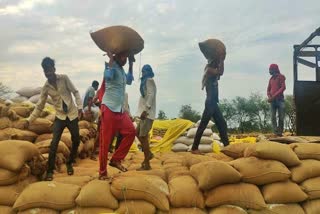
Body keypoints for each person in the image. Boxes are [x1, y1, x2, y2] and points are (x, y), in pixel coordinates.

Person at [25, 57, 83, 180]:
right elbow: (40, 106)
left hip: (72, 115)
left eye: (50, 70)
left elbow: (76, 92)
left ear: (54, 69)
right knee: (54, 144)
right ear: (44, 72)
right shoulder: (45, 87)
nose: (48, 73)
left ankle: (70, 162)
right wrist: (29, 120)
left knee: (76, 140)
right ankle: (50, 171)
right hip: (60, 117)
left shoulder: (64, 78)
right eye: (46, 71)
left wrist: (80, 107)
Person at [98, 52, 136, 180]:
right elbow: (107, 76)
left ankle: (116, 159)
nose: (124, 59)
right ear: (117, 56)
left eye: (126, 57)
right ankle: (102, 172)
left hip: (119, 110)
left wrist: (131, 63)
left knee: (131, 131)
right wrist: (110, 60)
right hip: (108, 108)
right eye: (123, 56)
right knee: (106, 142)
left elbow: (130, 80)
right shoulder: (112, 66)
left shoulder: (121, 70)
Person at [191, 40, 229, 154]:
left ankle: (227, 147)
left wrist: (221, 59)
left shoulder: (212, 69)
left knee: (222, 124)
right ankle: (194, 148)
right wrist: (222, 59)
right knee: (203, 124)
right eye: (217, 61)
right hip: (210, 102)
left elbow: (220, 72)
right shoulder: (209, 69)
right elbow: (221, 72)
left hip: (213, 102)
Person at [136, 64, 157, 170]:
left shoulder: (149, 80)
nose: (143, 73)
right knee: (137, 133)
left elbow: (151, 95)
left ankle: (147, 163)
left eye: (145, 71)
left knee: (143, 137)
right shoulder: (145, 82)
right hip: (144, 113)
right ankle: (148, 154)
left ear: (149, 72)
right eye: (142, 71)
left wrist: (145, 110)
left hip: (147, 114)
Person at [267, 63, 286, 137]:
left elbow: (283, 87)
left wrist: (274, 96)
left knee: (281, 117)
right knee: (272, 117)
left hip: (280, 100)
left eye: (270, 69)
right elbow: (268, 89)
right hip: (272, 101)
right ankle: (275, 132)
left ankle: (280, 133)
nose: (269, 71)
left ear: (275, 69)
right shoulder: (271, 79)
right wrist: (269, 96)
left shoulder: (281, 77)